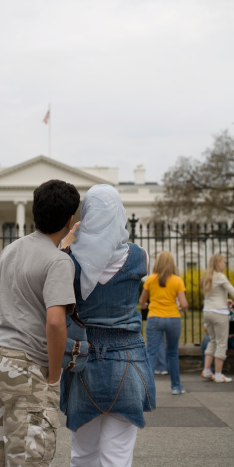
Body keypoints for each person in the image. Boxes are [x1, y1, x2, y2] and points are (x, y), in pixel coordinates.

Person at [0, 179, 80, 467]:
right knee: (31, 452)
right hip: (27, 364)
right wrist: (54, 378)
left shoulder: (13, 249)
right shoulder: (58, 262)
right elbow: (56, 323)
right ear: (70, 220)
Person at [60, 184, 156, 467]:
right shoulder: (140, 256)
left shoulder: (69, 258)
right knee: (118, 458)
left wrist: (66, 243)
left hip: (82, 359)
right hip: (128, 358)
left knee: (82, 455)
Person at [139, 251, 188, 395]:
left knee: (151, 353)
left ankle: (147, 389)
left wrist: (144, 305)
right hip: (173, 319)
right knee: (172, 352)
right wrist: (183, 308)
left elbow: (142, 300)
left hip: (154, 318)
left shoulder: (151, 279)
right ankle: (176, 387)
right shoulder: (177, 280)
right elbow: (184, 303)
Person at [200, 254, 234, 383]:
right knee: (221, 343)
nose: (224, 264)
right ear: (217, 263)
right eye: (222, 262)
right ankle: (218, 375)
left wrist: (226, 300)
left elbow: (212, 296)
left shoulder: (206, 277)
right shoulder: (220, 277)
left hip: (208, 311)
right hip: (219, 313)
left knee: (212, 341)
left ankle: (207, 370)